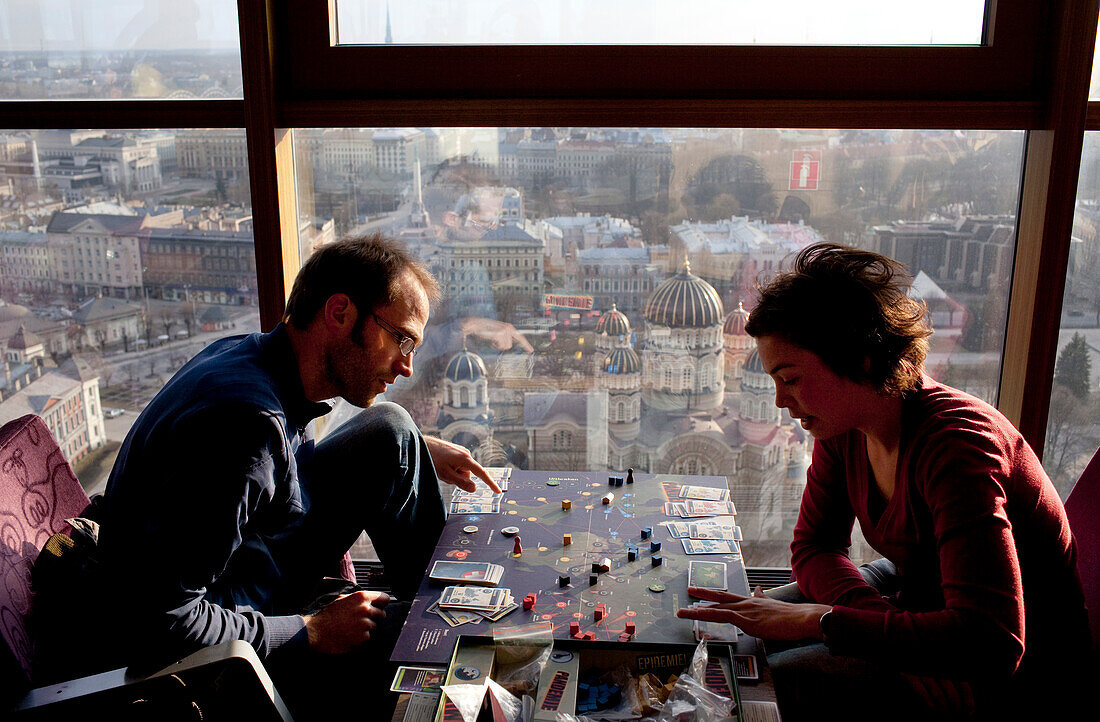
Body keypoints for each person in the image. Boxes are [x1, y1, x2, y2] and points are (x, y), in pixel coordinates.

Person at [35, 233, 500, 719]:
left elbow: (266, 476)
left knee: (393, 428)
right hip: (212, 650)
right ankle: (440, 625)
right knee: (424, 635)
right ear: (339, 313)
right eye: (401, 339)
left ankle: (442, 597)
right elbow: (164, 619)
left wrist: (413, 448)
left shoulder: (247, 356)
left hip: (245, 560)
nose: (406, 366)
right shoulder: (244, 428)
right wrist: (310, 630)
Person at [677, 243, 1089, 721]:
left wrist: (826, 622)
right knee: (736, 635)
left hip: (1015, 673)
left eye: (790, 378)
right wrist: (878, 629)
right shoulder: (845, 424)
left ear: (862, 360)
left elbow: (993, 642)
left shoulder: (959, 448)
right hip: (920, 602)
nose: (780, 401)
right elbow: (814, 547)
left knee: (759, 691)